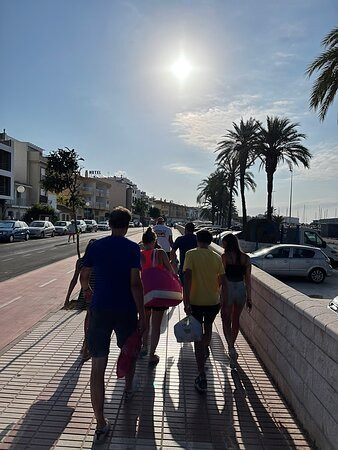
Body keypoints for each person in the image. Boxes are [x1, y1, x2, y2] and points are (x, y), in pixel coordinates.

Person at [80, 207, 146, 445]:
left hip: (100, 309)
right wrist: (143, 314)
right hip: (126, 310)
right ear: (127, 225)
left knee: (97, 367)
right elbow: (135, 284)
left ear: (109, 223)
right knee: (128, 351)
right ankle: (128, 388)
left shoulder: (96, 246)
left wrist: (88, 292)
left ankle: (100, 422)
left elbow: (84, 275)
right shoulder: (132, 248)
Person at [183, 230, 226, 393]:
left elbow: (187, 277)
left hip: (195, 301)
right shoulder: (216, 257)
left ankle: (201, 374)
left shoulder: (191, 254)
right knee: (208, 326)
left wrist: (186, 300)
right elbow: (221, 279)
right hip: (212, 301)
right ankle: (205, 346)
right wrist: (217, 293)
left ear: (197, 240)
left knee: (196, 335)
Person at [140, 227, 175, 364]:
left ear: (143, 242)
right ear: (155, 241)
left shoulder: (140, 254)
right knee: (156, 326)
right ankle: (152, 354)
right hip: (159, 294)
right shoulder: (160, 253)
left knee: (145, 322)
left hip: (145, 293)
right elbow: (171, 272)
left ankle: (144, 347)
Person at [221, 233, 252, 368]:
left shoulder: (224, 257)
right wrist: (249, 298)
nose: (222, 245)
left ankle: (231, 347)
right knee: (236, 319)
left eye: (224, 243)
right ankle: (232, 346)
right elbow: (248, 280)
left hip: (228, 288)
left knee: (225, 319)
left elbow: (221, 276)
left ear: (227, 243)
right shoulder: (246, 258)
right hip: (240, 289)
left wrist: (217, 292)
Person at [64, 239, 96, 362]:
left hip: (85, 293)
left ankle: (85, 343)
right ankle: (86, 347)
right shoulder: (99, 261)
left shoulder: (81, 262)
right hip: (95, 292)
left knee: (89, 318)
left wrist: (67, 297)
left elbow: (74, 280)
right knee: (91, 319)